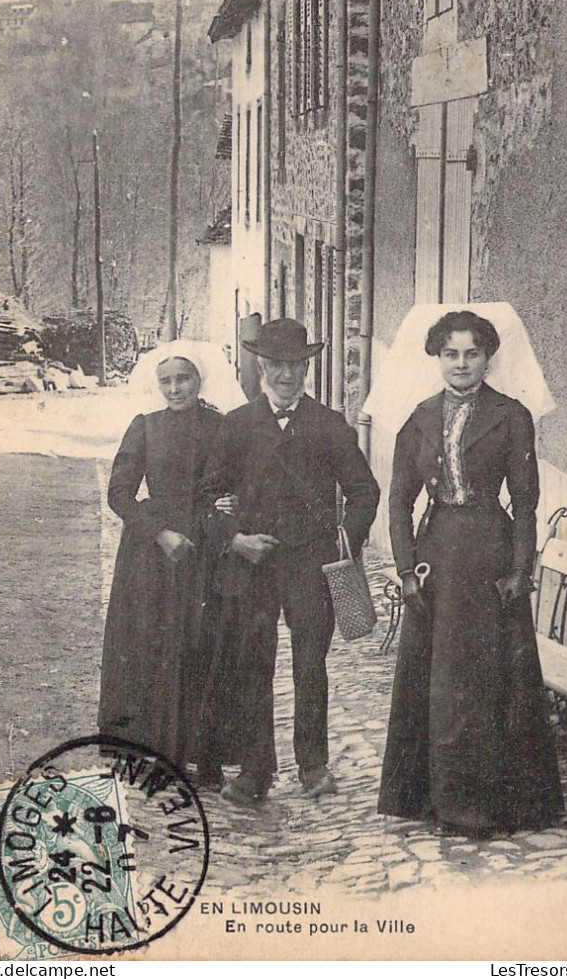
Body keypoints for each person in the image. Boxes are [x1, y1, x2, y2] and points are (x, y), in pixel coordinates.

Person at [377, 310, 564, 836]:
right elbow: (398, 502)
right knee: (438, 682)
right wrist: (406, 569)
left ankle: (489, 805)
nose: (461, 364)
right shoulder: (419, 417)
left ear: (487, 358)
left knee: (486, 682)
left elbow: (525, 502)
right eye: (450, 354)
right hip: (436, 555)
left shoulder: (510, 415)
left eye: (472, 354)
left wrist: (518, 569)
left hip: (488, 555)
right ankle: (435, 798)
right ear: (437, 358)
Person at [199, 318, 380, 806]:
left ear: (306, 368)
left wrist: (345, 540)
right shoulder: (236, 425)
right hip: (253, 565)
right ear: (261, 366)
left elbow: (364, 492)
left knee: (310, 665)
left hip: (310, 565)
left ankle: (313, 765)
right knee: (252, 665)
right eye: (276, 365)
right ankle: (256, 770)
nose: (285, 375)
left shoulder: (328, 425)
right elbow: (210, 494)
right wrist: (235, 539)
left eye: (295, 365)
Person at [98, 341, 245, 787]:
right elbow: (119, 493)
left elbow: (238, 481)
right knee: (154, 646)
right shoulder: (145, 427)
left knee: (203, 645)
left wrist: (233, 503)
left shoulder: (222, 426)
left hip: (206, 548)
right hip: (154, 553)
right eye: (166, 381)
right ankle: (155, 751)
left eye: (184, 379)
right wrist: (159, 532)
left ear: (200, 380)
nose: (175, 388)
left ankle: (205, 755)